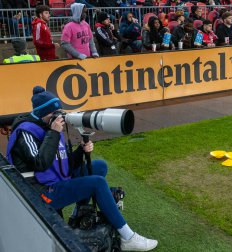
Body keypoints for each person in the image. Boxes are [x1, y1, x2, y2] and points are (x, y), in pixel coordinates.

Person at [6, 86, 158, 252]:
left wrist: (81, 150)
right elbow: (40, 163)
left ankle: (77, 216)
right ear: (42, 114)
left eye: (59, 112)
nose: (59, 117)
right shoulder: (25, 131)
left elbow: (65, 165)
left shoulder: (49, 127)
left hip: (54, 180)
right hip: (39, 192)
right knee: (97, 183)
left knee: (100, 166)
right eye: (54, 114)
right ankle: (128, 237)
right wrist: (54, 132)